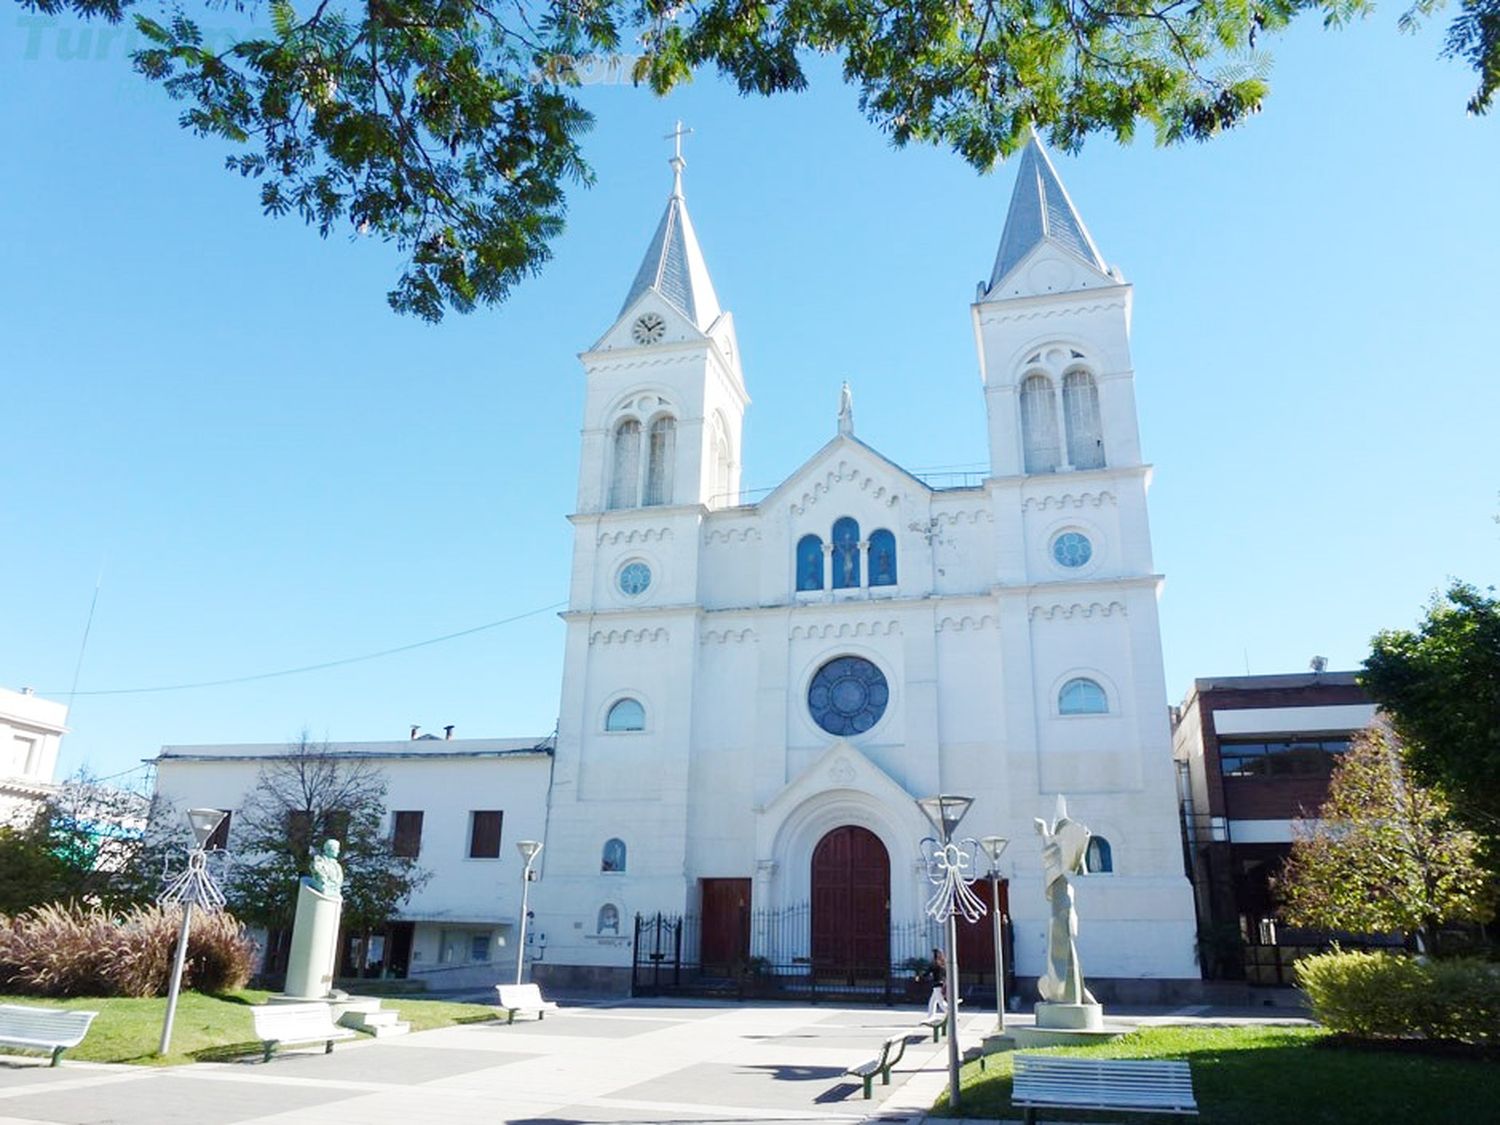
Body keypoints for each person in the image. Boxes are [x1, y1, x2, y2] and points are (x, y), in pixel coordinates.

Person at [927, 946, 948, 1017]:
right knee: (932, 1001)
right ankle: (930, 1016)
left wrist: (919, 977)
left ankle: (952, 1014)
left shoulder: (934, 964)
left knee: (941, 1003)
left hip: (937, 984)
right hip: (941, 983)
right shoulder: (943, 963)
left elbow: (927, 972)